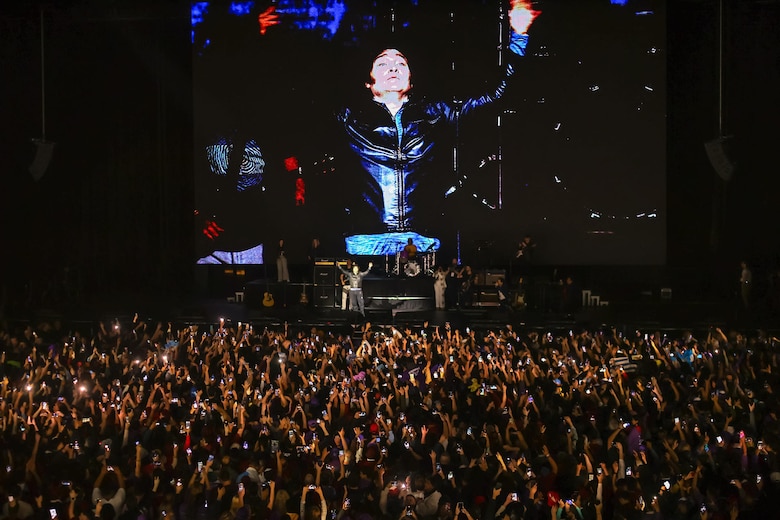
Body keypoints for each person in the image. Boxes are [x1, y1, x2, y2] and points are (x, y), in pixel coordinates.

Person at [337, 1, 541, 256]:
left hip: (423, 242)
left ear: (411, 79)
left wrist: (519, 37)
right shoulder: (347, 119)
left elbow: (499, 96)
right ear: (368, 81)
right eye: (382, 63)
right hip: (365, 242)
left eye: (401, 63)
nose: (392, 67)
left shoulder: (436, 113)